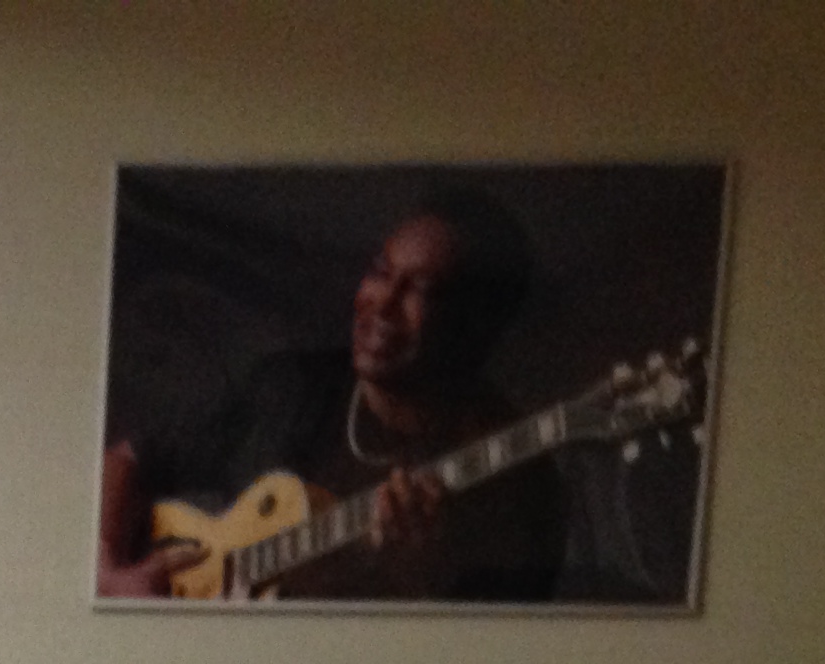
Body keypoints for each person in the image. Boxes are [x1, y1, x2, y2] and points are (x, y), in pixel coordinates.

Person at [100, 189, 563, 603]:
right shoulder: (289, 388)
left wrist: (421, 584)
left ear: (473, 329)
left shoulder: (521, 492)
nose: (383, 302)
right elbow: (131, 457)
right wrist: (108, 575)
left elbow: (493, 660)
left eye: (421, 290)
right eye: (381, 272)